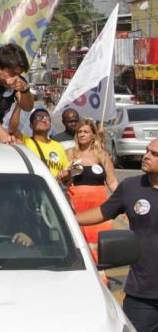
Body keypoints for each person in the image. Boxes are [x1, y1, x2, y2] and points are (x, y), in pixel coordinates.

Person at [76, 139, 158, 332]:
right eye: (146, 151)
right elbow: (102, 212)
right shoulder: (130, 187)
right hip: (142, 297)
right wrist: (65, 220)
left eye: (154, 154)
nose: (145, 155)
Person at [65, 118, 119, 282]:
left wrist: (123, 203)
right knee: (78, 244)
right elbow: (62, 180)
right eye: (79, 131)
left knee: (98, 247)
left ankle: (100, 281)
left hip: (99, 210)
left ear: (93, 135)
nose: (81, 134)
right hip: (76, 208)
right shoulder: (70, 154)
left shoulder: (102, 156)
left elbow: (112, 182)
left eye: (86, 131)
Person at [10, 108, 71, 180]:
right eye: (38, 118)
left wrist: (66, 176)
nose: (43, 120)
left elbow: (68, 175)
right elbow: (13, 128)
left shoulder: (59, 146)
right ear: (31, 125)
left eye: (47, 118)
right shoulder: (25, 141)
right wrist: (19, 104)